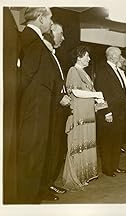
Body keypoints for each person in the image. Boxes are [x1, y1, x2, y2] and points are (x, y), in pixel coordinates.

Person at [16, 7, 58, 203]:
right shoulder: (31, 39)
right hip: (34, 107)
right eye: (50, 19)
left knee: (38, 153)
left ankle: (34, 195)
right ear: (40, 18)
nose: (51, 22)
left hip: (38, 106)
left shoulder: (35, 39)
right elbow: (24, 76)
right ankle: (27, 202)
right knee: (31, 155)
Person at [62, 46, 103, 191]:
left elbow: (90, 92)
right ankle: (76, 177)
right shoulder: (73, 70)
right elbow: (75, 91)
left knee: (87, 143)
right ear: (79, 56)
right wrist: (96, 95)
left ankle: (84, 175)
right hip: (79, 115)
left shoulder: (84, 73)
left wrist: (99, 100)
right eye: (87, 56)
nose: (89, 58)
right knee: (78, 144)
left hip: (89, 115)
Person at [95, 47, 126, 177]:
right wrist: (105, 112)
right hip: (109, 114)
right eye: (119, 55)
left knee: (117, 141)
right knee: (107, 141)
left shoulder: (117, 70)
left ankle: (115, 166)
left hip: (119, 113)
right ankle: (107, 168)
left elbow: (120, 92)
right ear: (112, 56)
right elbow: (100, 94)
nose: (120, 57)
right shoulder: (103, 70)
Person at [42, 23, 71, 195]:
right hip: (51, 111)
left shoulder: (54, 55)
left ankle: (49, 183)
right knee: (50, 151)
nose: (63, 37)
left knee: (56, 150)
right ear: (52, 33)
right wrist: (60, 98)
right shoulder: (46, 55)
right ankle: (45, 186)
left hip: (58, 111)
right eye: (61, 33)